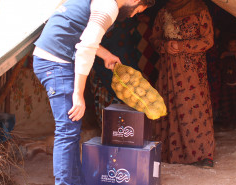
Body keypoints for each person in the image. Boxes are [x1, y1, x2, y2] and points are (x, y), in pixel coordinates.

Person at [32, 0, 155, 184]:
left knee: (71, 128)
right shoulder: (108, 6)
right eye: (137, 11)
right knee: (67, 130)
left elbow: (82, 33)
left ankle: (76, 181)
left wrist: (106, 55)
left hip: (51, 58)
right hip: (56, 62)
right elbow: (86, 47)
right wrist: (78, 94)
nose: (132, 15)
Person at [149, 0, 215, 167]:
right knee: (170, 107)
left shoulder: (200, 9)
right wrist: (165, 45)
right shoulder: (163, 12)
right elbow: (154, 38)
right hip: (168, 71)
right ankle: (171, 153)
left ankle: (202, 155)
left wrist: (182, 45)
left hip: (192, 71)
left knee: (194, 108)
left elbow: (208, 40)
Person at [219, 36, 236, 129]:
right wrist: (222, 58)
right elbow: (220, 68)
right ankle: (226, 123)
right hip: (226, 84)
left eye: (234, 46)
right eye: (230, 46)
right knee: (225, 105)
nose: (232, 48)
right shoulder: (226, 56)